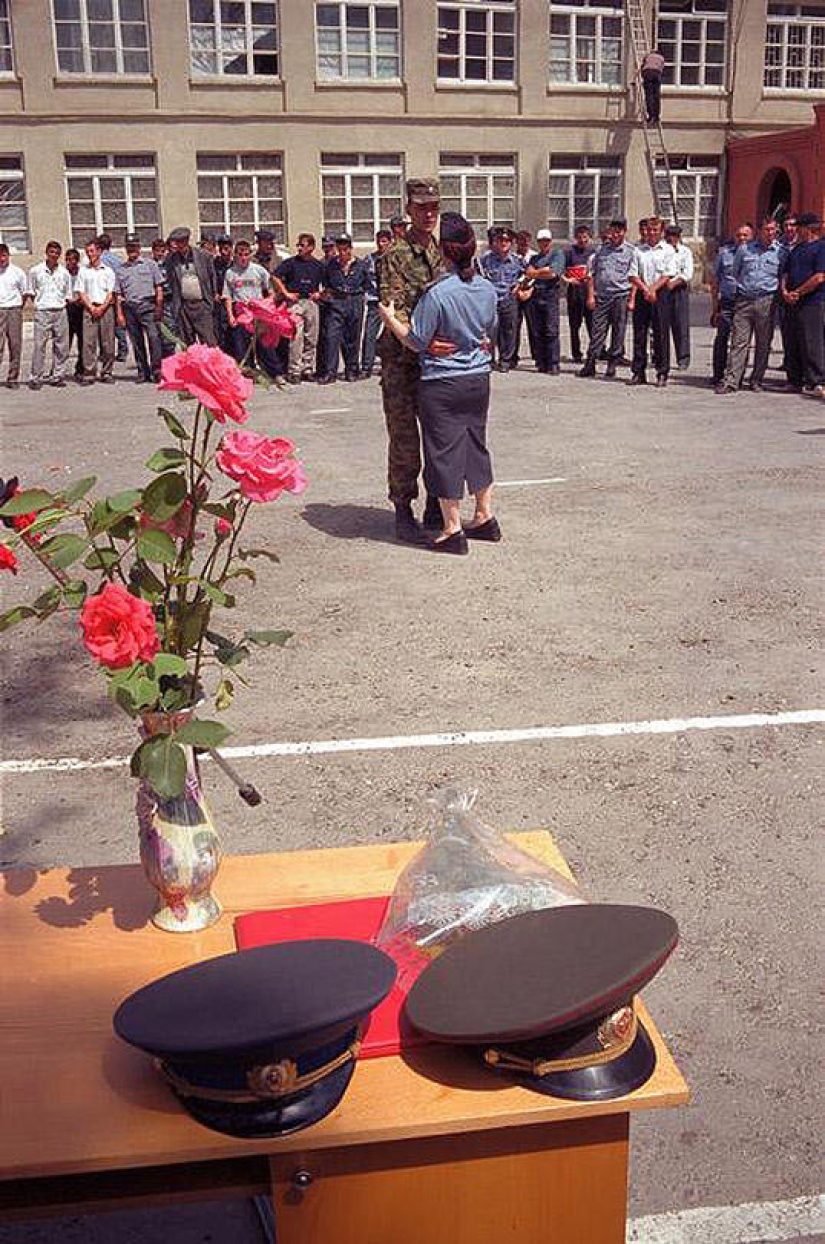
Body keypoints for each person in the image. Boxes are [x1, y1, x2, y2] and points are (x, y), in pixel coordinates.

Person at [378, 212, 499, 556]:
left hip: (443, 379)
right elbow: (487, 332)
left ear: (445, 253)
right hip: (478, 376)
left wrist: (389, 319)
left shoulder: (439, 293)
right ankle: (484, 516)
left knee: (443, 450)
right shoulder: (486, 287)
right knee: (475, 444)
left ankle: (451, 528)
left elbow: (416, 340)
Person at [378, 177, 445, 542]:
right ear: (408, 210)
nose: (429, 213)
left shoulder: (442, 250)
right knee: (405, 438)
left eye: (433, 206)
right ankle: (403, 507)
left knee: (438, 434)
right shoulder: (395, 256)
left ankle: (435, 501)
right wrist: (424, 344)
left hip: (436, 363)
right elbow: (394, 309)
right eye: (421, 207)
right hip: (402, 362)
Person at [716, 217, 782, 395]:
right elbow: (735, 274)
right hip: (744, 300)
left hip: (766, 301)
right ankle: (732, 381)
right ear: (760, 231)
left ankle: (757, 379)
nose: (770, 233)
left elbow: (782, 276)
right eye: (767, 230)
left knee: (763, 343)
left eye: (773, 230)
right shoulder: (745, 250)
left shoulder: (780, 253)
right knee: (739, 342)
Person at [579, 217, 637, 379]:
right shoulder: (601, 251)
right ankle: (591, 362)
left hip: (621, 296)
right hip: (602, 297)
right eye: (613, 230)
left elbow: (634, 277)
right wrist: (591, 295)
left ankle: (612, 363)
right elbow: (591, 274)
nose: (616, 234)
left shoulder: (631, 251)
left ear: (624, 232)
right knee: (597, 330)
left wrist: (632, 299)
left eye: (619, 231)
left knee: (618, 331)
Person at [780, 212, 825, 396]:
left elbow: (819, 276)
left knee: (812, 341)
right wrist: (784, 291)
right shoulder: (796, 250)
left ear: (808, 228)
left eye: (799, 227)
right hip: (792, 302)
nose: (795, 230)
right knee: (792, 340)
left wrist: (798, 292)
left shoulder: (821, 248)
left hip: (813, 302)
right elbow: (785, 273)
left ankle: (816, 381)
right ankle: (794, 379)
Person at [629, 215, 677, 387]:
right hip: (643, 292)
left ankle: (662, 372)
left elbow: (668, 274)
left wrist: (653, 289)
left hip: (661, 294)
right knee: (639, 334)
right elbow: (633, 274)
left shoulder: (668, 250)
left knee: (661, 334)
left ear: (662, 232)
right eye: (649, 230)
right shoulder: (638, 250)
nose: (651, 233)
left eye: (655, 230)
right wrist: (645, 289)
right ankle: (638, 372)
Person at [222, 239, 279, 376]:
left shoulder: (259, 270)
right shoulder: (230, 273)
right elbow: (228, 296)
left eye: (246, 254)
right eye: (240, 255)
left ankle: (274, 373)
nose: (243, 258)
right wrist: (230, 315)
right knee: (241, 345)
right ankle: (248, 373)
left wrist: (267, 306)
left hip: (258, 311)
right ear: (235, 255)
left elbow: (271, 291)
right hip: (241, 310)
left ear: (250, 255)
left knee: (264, 344)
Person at [274, 233, 325, 383]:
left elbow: (327, 285)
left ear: (311, 247)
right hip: (295, 303)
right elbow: (275, 276)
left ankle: (307, 368)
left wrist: (319, 294)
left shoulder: (318, 265)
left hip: (311, 303)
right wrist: (286, 293)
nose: (300, 248)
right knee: (296, 337)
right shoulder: (290, 263)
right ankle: (294, 370)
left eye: (303, 245)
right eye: (299, 245)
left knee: (311, 337)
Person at [115, 233, 165, 384]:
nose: (132, 250)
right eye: (129, 247)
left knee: (154, 338)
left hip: (148, 305)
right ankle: (143, 372)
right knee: (136, 342)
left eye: (134, 246)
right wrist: (119, 315)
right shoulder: (121, 269)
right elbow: (118, 294)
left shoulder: (150, 265)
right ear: (126, 248)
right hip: (130, 307)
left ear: (139, 247)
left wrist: (159, 305)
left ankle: (156, 370)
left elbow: (158, 287)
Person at [319, 233, 369, 383]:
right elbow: (326, 283)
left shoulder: (360, 265)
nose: (342, 253)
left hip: (354, 301)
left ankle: (351, 370)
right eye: (340, 249)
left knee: (352, 338)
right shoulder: (331, 265)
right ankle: (330, 372)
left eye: (345, 249)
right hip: (337, 301)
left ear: (350, 249)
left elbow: (367, 284)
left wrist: (360, 297)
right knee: (332, 337)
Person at [26, 240, 73, 390]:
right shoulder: (35, 271)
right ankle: (36, 377)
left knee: (61, 346)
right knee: (39, 345)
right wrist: (40, 304)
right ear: (47, 253)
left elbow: (67, 294)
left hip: (60, 310)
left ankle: (57, 376)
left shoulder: (64, 273)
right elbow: (32, 292)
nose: (54, 255)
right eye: (52, 252)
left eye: (57, 253)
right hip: (43, 311)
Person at [710, 224, 752, 387]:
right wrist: (715, 308)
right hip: (727, 302)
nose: (742, 238)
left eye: (745, 235)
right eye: (739, 235)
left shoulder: (755, 254)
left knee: (741, 341)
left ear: (751, 236)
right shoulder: (724, 253)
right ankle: (718, 374)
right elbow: (715, 282)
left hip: (745, 301)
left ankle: (737, 376)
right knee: (722, 338)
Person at [479, 226, 524, 371]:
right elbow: (478, 276)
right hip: (491, 301)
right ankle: (489, 359)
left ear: (511, 243)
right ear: (495, 242)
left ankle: (505, 360)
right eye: (500, 240)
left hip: (509, 299)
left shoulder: (517, 260)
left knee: (509, 331)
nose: (503, 243)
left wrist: (520, 286)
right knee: (490, 332)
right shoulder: (486, 259)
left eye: (507, 241)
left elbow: (528, 275)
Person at [165, 226, 218, 346]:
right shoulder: (171, 260)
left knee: (209, 341)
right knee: (188, 343)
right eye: (177, 242)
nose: (180, 245)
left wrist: (212, 297)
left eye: (182, 241)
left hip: (201, 304)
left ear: (187, 241)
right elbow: (171, 282)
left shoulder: (204, 256)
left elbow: (212, 277)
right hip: (184, 306)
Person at [75, 237, 117, 384]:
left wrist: (102, 307)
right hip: (89, 308)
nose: (89, 254)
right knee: (88, 342)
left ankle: (107, 372)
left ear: (99, 251)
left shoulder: (108, 271)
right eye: (87, 252)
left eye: (92, 251)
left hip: (106, 309)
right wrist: (92, 307)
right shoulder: (83, 271)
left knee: (108, 342)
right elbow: (81, 292)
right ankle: (89, 372)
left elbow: (111, 293)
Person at [524, 228, 565, 375]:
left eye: (546, 241)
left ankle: (553, 363)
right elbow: (529, 274)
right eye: (541, 241)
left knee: (551, 330)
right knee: (537, 331)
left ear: (550, 241)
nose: (544, 243)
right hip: (536, 294)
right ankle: (542, 362)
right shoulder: (534, 258)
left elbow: (553, 273)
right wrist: (542, 272)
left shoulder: (557, 254)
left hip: (550, 295)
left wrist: (536, 273)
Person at [361, 228, 392, 378]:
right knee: (369, 333)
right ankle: (367, 366)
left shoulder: (394, 259)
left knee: (391, 336)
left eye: (384, 241)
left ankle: (388, 366)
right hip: (374, 301)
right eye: (379, 241)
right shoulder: (370, 259)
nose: (381, 244)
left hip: (390, 302)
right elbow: (362, 277)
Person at [563, 224, 596, 364]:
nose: (582, 240)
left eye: (585, 237)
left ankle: (593, 352)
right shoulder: (569, 253)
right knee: (574, 326)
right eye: (580, 237)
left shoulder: (593, 253)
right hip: (574, 293)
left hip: (588, 291)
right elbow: (560, 271)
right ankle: (576, 353)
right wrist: (568, 280)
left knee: (592, 325)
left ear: (589, 238)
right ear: (576, 238)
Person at [96, 232, 129, 363]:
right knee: (119, 324)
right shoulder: (118, 260)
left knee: (104, 326)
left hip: (104, 295)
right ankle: (123, 350)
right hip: (117, 294)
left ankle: (105, 351)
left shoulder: (99, 260)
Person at [665, 224, 693, 369]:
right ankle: (661, 357)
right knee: (661, 325)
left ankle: (683, 358)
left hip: (679, 289)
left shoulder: (685, 252)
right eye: (669, 236)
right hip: (663, 288)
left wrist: (674, 282)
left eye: (675, 236)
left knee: (681, 325)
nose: (672, 239)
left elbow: (687, 273)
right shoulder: (662, 250)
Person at [0, 243, 27, 388]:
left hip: (14, 310)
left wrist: (18, 307)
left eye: (4, 255)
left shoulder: (17, 272)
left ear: (8, 256)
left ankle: (13, 377)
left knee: (15, 345)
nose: (1, 259)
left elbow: (25, 292)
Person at [64, 247, 85, 379]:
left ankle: (80, 368)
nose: (71, 262)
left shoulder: (83, 273)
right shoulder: (62, 273)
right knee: (65, 342)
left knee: (82, 342)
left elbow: (85, 289)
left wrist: (77, 298)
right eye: (68, 260)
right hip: (66, 309)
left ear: (77, 261)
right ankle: (59, 370)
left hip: (80, 308)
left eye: (73, 260)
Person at [213, 233, 234, 350]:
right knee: (220, 333)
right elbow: (209, 280)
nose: (224, 251)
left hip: (232, 301)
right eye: (221, 248)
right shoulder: (214, 264)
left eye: (226, 248)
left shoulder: (235, 264)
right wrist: (214, 292)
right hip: (219, 302)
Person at [641, 48, 665, 124]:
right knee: (656, 96)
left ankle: (651, 116)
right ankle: (657, 116)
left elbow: (643, 66)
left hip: (647, 73)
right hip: (656, 73)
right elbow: (661, 69)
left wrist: (643, 77)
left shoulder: (647, 56)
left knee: (649, 95)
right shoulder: (661, 58)